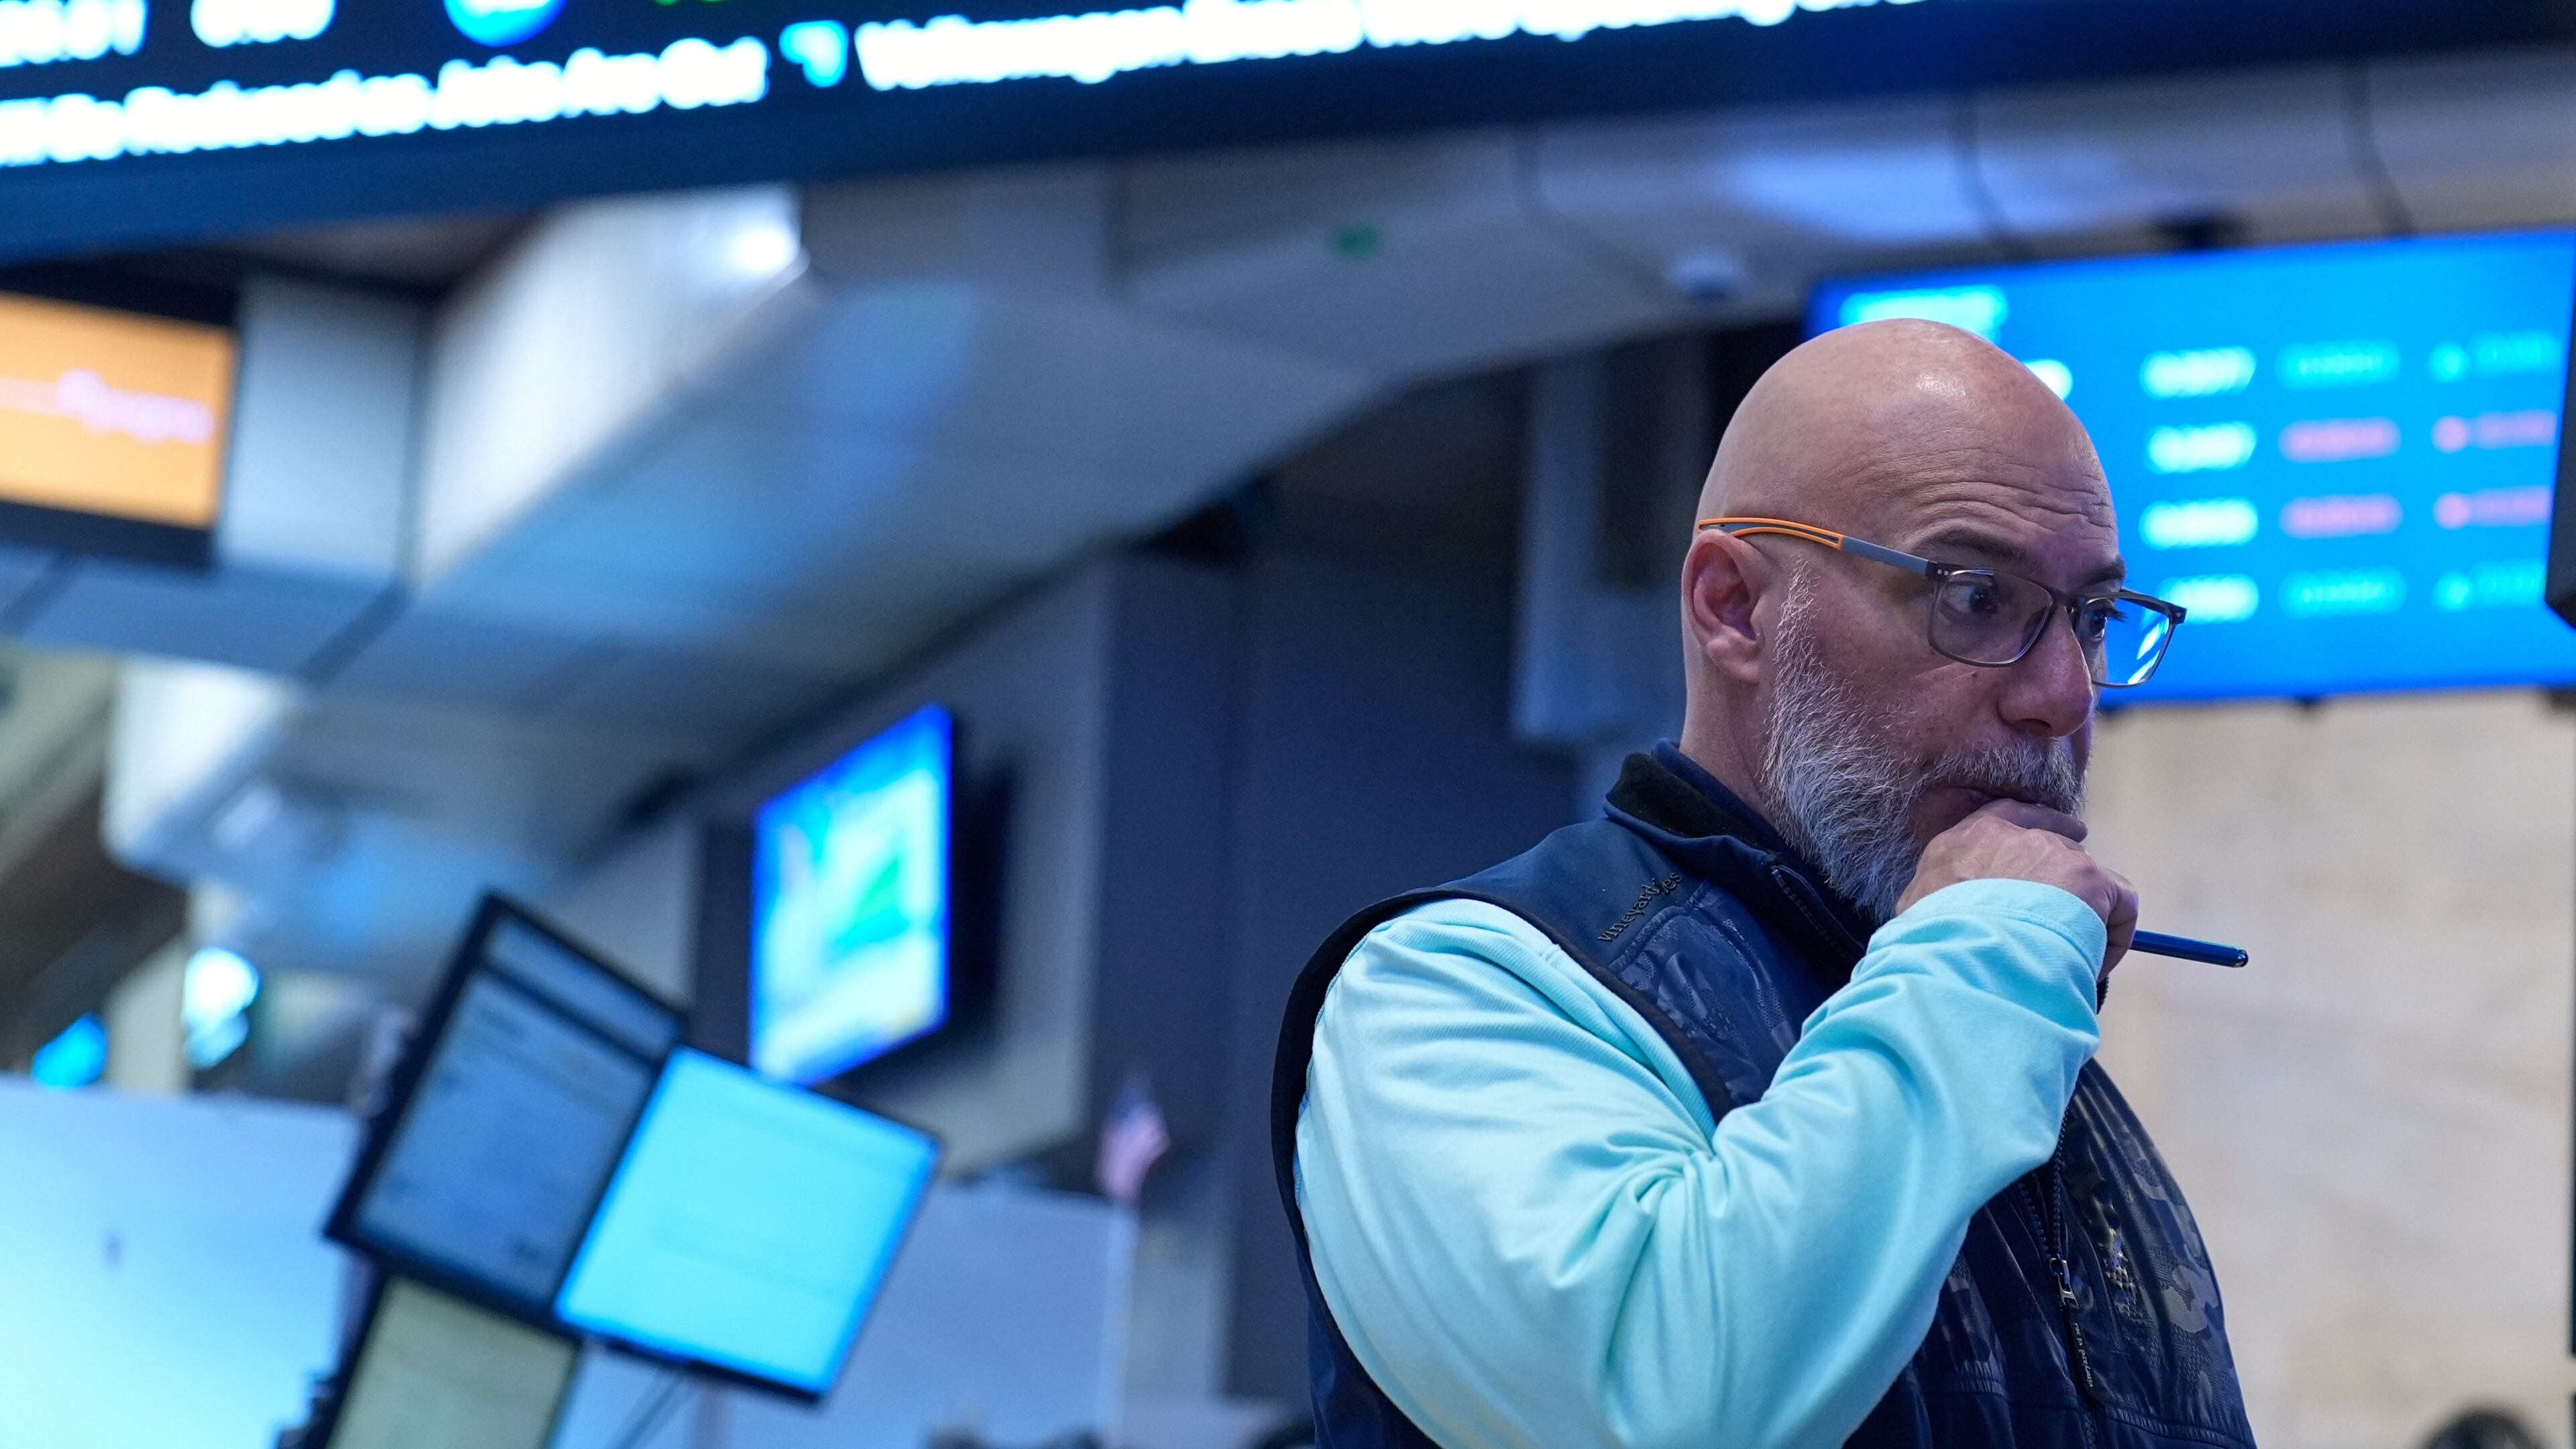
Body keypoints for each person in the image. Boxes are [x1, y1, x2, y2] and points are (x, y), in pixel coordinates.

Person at [1269, 319, 2253, 1448]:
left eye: (2089, 620)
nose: (2066, 697)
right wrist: (1984, 952)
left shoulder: (1989, 1026)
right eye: (1976, 596)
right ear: (1735, 607)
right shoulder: (1458, 987)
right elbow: (1662, 1407)